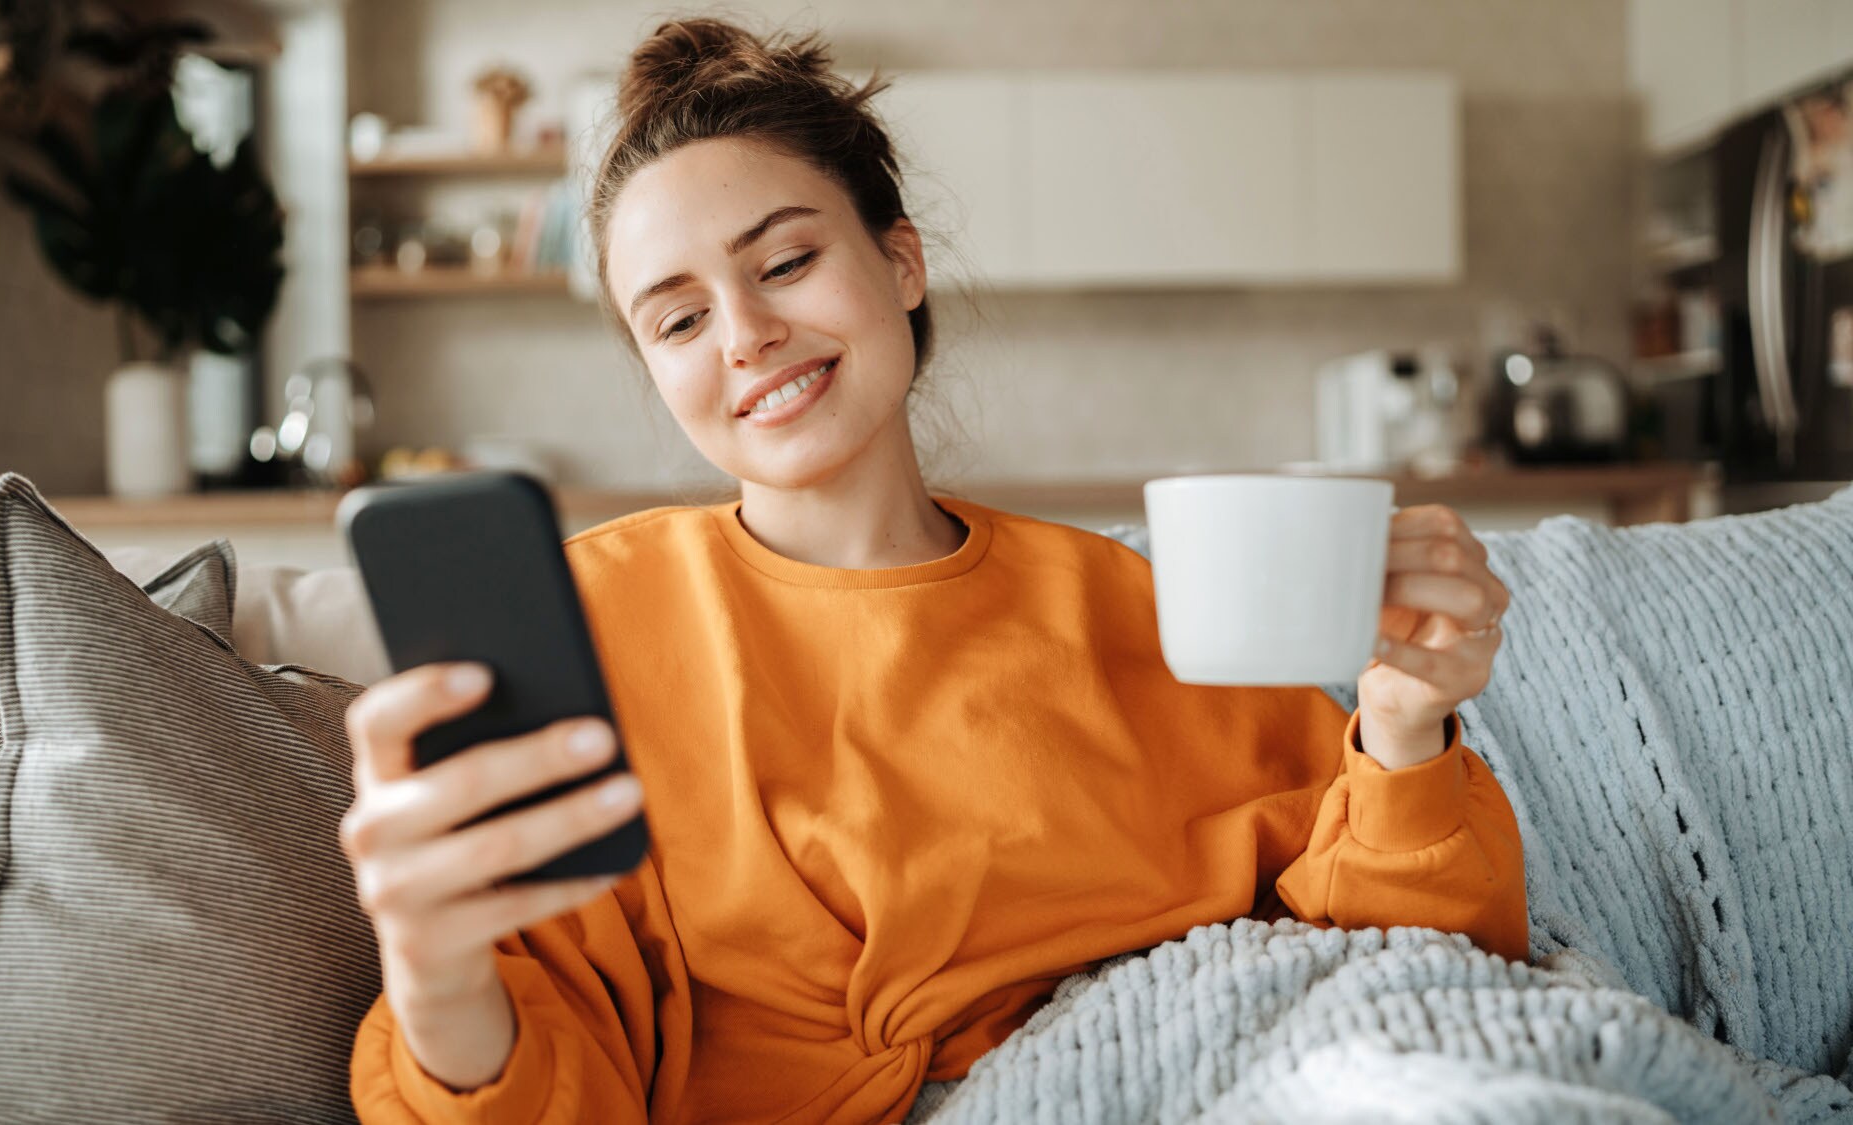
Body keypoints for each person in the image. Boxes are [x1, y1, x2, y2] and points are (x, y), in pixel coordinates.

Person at [342, 17, 1525, 1124]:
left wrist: (1402, 726)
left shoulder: (1145, 613)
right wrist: (433, 969)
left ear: (899, 264)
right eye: (678, 321)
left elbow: (1404, 966)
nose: (744, 333)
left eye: (786, 261)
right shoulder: (592, 625)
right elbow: (550, 1072)